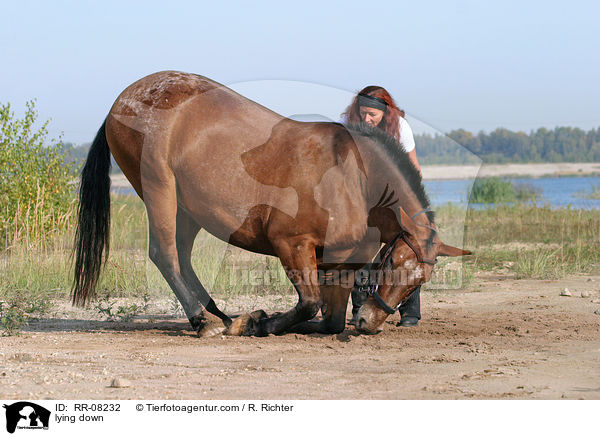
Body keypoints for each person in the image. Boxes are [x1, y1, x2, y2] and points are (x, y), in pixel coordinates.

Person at [341, 85, 422, 327]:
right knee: (360, 253)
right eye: (363, 113)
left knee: (404, 253)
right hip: (361, 199)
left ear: (385, 113)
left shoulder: (401, 127)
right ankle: (360, 309)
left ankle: (410, 313)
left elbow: (414, 169)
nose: (366, 119)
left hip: (394, 201)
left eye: (372, 115)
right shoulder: (346, 124)